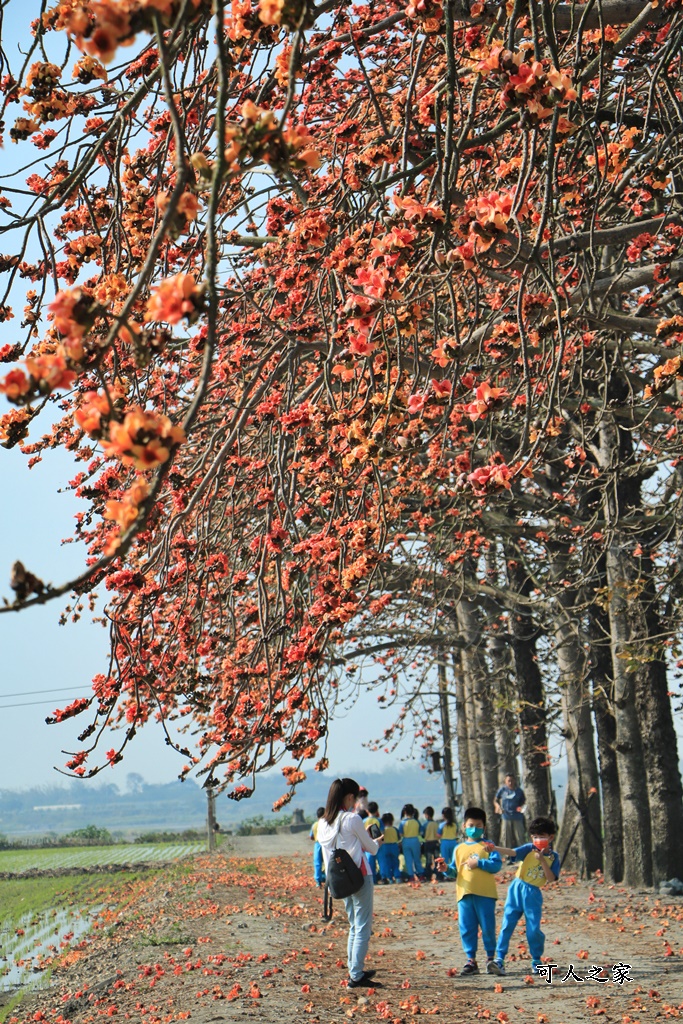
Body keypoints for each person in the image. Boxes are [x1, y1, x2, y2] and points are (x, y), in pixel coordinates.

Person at [317, 778, 384, 988]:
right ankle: (356, 975)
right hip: (360, 876)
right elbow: (371, 849)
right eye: (354, 797)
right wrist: (378, 841)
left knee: (354, 925)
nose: (355, 802)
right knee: (362, 926)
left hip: (339, 880)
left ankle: (354, 969)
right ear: (348, 797)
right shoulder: (352, 819)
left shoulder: (322, 823)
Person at [487, 815, 560, 977]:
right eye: (535, 837)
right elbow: (512, 852)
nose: (538, 840)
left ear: (551, 837)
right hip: (517, 888)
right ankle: (499, 959)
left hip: (533, 893)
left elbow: (550, 878)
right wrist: (495, 848)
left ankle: (536, 960)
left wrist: (542, 860)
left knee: (533, 928)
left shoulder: (554, 857)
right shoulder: (528, 848)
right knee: (507, 924)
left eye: (542, 836)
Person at [443, 806, 502, 976]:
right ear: (464, 826)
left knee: (488, 927)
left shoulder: (488, 846)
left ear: (484, 827)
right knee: (467, 928)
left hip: (485, 894)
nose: (474, 828)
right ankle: (471, 960)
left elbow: (496, 865)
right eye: (471, 825)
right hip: (464, 894)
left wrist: (480, 863)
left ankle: (491, 958)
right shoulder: (458, 849)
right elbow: (455, 870)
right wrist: (446, 868)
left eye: (478, 825)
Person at [494, 773, 526, 849]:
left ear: (515, 781)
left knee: (520, 836)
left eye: (512, 781)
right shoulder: (502, 790)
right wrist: (498, 807)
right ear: (505, 781)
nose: (510, 783)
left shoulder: (519, 791)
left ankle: (522, 854)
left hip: (517, 817)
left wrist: (520, 809)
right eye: (509, 781)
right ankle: (506, 855)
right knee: (505, 837)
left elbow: (523, 803)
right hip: (505, 816)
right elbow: (495, 800)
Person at [399, 803, 424, 881]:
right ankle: (421, 875)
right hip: (415, 841)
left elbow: (401, 834)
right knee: (417, 858)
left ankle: (411, 876)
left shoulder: (402, 823)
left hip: (406, 841)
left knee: (408, 859)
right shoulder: (417, 822)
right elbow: (421, 832)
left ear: (405, 812)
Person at [377, 813, 401, 883]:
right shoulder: (395, 829)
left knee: (386, 863)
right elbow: (399, 838)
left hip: (385, 847)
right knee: (395, 862)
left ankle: (390, 878)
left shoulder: (383, 830)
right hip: (394, 846)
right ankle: (397, 877)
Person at [364, 801, 382, 882]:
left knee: (369, 863)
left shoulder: (363, 821)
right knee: (381, 861)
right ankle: (383, 877)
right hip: (378, 843)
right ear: (377, 810)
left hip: (367, 844)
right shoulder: (379, 821)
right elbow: (382, 833)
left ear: (367, 810)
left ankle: (372, 879)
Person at [421, 806, 440, 879]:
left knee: (428, 861)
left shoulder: (425, 824)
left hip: (428, 843)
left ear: (427, 815)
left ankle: (428, 875)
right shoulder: (436, 824)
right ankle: (439, 875)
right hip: (435, 843)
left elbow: (423, 834)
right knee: (437, 859)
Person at [309, 806, 326, 887]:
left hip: (318, 844)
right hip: (326, 844)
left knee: (317, 863)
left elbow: (311, 836)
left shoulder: (314, 825)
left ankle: (318, 881)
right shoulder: (327, 824)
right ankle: (327, 878)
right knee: (327, 862)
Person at [438, 806, 458, 872]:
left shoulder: (442, 825)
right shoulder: (455, 824)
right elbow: (456, 834)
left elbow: (438, 835)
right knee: (453, 859)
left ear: (443, 815)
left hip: (445, 843)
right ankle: (453, 872)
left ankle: (446, 873)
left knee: (445, 859)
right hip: (453, 842)